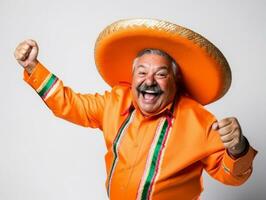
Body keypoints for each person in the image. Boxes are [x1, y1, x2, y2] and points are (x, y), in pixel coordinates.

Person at [14, 19, 257, 200]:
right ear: (132, 78)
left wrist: (238, 147)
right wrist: (33, 67)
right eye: (142, 72)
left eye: (161, 74)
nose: (149, 81)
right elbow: (70, 104)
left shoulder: (200, 121)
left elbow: (233, 176)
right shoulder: (115, 101)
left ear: (175, 81)